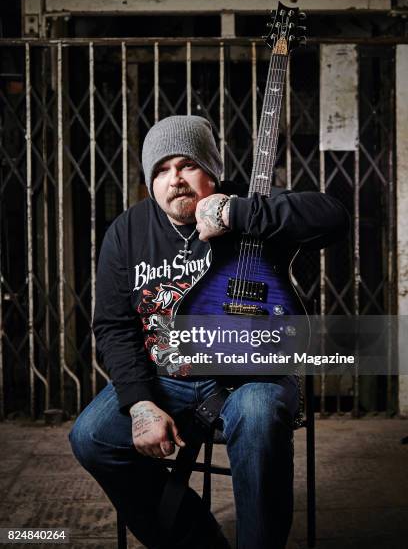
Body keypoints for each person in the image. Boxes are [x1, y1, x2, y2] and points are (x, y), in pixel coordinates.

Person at [69, 115, 349, 549]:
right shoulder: (128, 230)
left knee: (257, 416)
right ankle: (196, 539)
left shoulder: (248, 203)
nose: (174, 180)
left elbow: (332, 217)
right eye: (161, 170)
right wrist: (141, 402)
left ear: (212, 169)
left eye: (187, 165)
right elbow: (113, 326)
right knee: (91, 437)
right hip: (165, 376)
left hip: (253, 374)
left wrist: (233, 211)